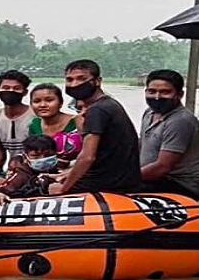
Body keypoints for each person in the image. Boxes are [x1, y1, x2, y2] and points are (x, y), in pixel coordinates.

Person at [48, 59, 141, 195]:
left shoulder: (97, 110)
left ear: (97, 81)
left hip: (107, 183)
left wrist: (63, 188)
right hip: (116, 178)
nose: (74, 84)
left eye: (82, 79)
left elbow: (87, 157)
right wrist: (67, 174)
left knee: (43, 188)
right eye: (69, 80)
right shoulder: (109, 104)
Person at [139, 69, 199, 198]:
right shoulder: (149, 113)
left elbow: (163, 166)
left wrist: (128, 177)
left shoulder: (180, 120)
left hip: (179, 185)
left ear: (179, 94)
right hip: (151, 178)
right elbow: (141, 145)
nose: (157, 97)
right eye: (152, 91)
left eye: (165, 92)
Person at [0, 70, 35, 184]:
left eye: (17, 88)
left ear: (25, 92)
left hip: (33, 168)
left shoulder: (35, 116)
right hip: (11, 170)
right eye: (6, 88)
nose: (11, 91)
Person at [0, 135, 60, 207]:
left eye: (48, 155)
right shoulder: (22, 173)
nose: (42, 159)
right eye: (35, 156)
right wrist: (0, 194)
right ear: (25, 157)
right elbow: (6, 188)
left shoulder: (61, 171)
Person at [28, 83, 81, 166]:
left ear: (61, 103)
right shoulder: (35, 124)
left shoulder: (76, 122)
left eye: (49, 100)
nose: (42, 105)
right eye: (36, 101)